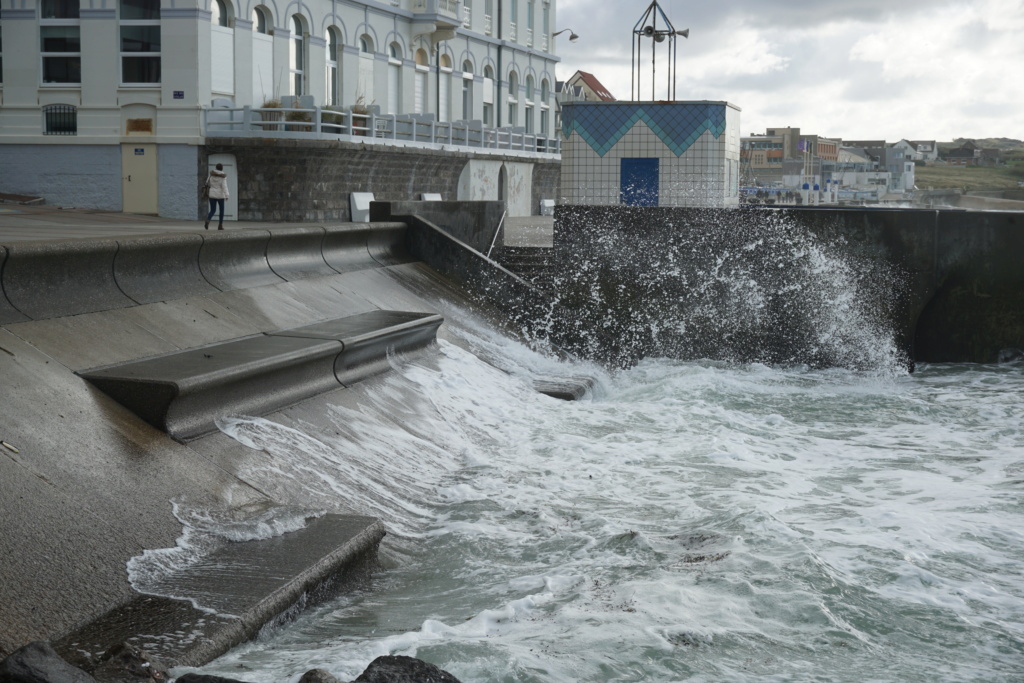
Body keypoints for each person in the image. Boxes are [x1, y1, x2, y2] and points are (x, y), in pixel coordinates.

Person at [204, 163, 229, 230]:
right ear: (222, 168)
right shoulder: (223, 177)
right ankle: (220, 225)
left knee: (212, 210)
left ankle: (208, 220)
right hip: (220, 195)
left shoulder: (211, 175)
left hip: (212, 194)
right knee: (221, 210)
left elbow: (207, 183)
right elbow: (224, 186)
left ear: (216, 168)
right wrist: (227, 195)